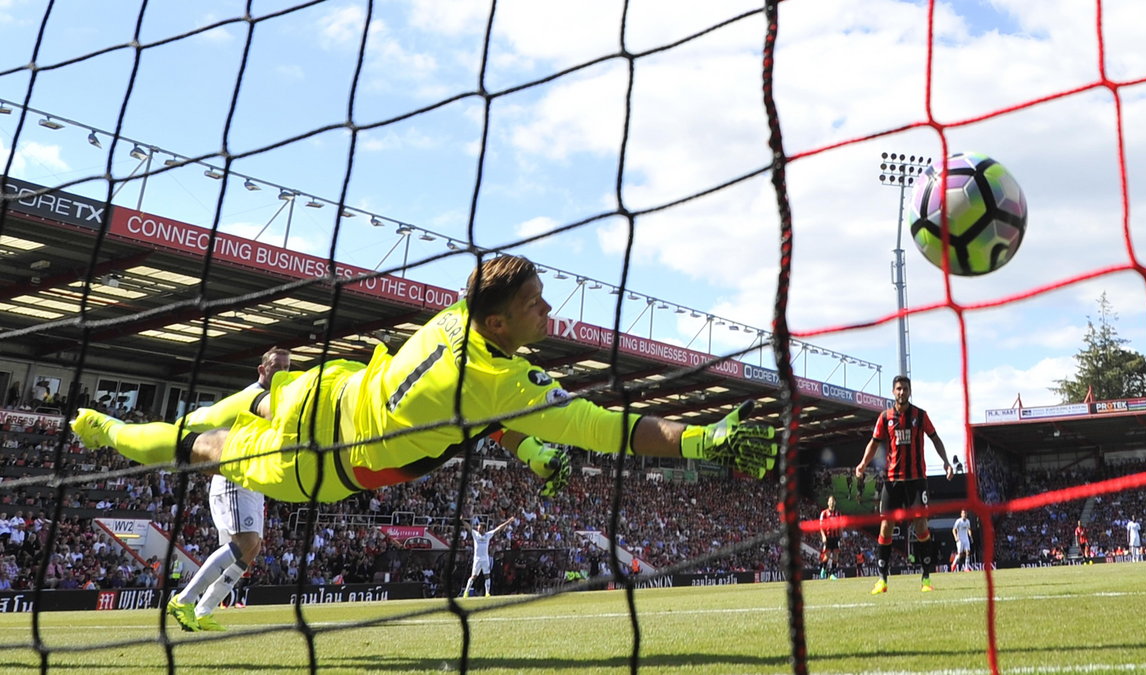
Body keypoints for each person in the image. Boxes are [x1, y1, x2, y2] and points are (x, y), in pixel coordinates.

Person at [71, 255, 777, 504]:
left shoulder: (455, 315)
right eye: (536, 302)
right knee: (197, 447)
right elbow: (608, 429)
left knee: (198, 428)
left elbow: (471, 417)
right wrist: (698, 441)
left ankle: (110, 429)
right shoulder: (506, 387)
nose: (549, 309)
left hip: (319, 389)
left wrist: (528, 449)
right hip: (311, 463)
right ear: (499, 324)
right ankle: (112, 433)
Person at [166, 347, 291, 632]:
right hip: (234, 475)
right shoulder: (251, 397)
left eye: (286, 367)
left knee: (251, 549)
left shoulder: (279, 400)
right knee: (244, 543)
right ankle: (183, 600)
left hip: (253, 480)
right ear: (262, 369)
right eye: (275, 366)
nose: (281, 372)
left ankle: (203, 611)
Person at [854, 375, 953, 594]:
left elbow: (935, 438)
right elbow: (874, 443)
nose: (901, 392)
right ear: (893, 392)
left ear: (910, 391)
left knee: (920, 526)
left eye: (905, 389)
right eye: (898, 389)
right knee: (886, 525)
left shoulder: (920, 415)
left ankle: (926, 579)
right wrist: (862, 464)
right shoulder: (885, 417)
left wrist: (946, 462)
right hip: (892, 481)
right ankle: (882, 580)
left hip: (917, 480)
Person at [462, 516, 514, 598]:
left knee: (487, 575)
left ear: (483, 529)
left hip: (485, 559)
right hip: (477, 559)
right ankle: (466, 592)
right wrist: (462, 520)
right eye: (478, 528)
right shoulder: (475, 534)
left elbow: (498, 528)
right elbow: (468, 527)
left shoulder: (488, 535)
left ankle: (487, 593)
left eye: (480, 528)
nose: (478, 529)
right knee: (473, 576)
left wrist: (508, 522)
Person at [818, 495, 842, 580]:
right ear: (828, 503)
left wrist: (841, 536)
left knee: (836, 555)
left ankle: (832, 574)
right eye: (830, 501)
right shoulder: (824, 513)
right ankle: (823, 569)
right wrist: (823, 536)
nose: (831, 502)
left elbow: (840, 526)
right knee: (827, 555)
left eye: (833, 501)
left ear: (835, 503)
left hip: (836, 537)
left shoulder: (838, 513)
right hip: (828, 537)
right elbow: (821, 526)